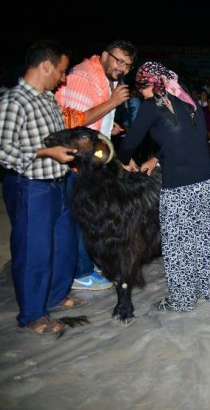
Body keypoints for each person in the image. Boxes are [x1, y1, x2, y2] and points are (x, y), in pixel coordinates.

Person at [117, 61, 210, 312]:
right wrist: (157, 158)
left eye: (142, 85)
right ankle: (208, 290)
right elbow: (183, 139)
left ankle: (182, 300)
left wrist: (123, 158)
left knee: (176, 245)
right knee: (202, 238)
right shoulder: (188, 101)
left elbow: (130, 143)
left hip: (179, 188)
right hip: (206, 182)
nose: (140, 91)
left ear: (151, 83)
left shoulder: (152, 106)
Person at [0, 40, 85, 335]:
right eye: (60, 71)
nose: (62, 78)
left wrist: (76, 143)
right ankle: (34, 314)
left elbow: (55, 138)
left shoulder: (48, 98)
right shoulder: (14, 101)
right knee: (34, 251)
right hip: (30, 186)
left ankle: (56, 295)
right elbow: (3, 150)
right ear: (45, 65)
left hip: (58, 182)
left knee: (64, 246)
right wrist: (46, 153)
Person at [54, 39, 136, 291]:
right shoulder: (82, 76)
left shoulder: (105, 79)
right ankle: (81, 272)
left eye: (128, 65)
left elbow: (92, 119)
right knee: (80, 218)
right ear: (104, 55)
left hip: (91, 161)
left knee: (91, 216)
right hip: (75, 163)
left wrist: (109, 126)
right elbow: (73, 124)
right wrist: (112, 103)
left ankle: (86, 262)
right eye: (118, 60)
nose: (122, 68)